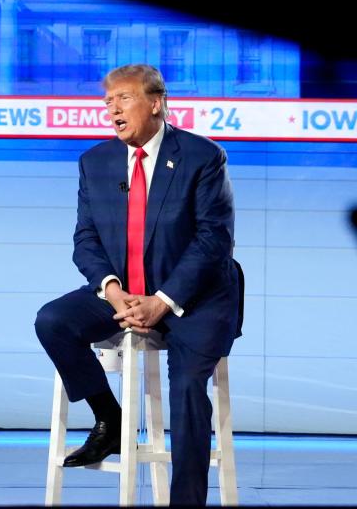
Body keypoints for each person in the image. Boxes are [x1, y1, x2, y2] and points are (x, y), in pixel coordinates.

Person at [33, 64, 241, 506]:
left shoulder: (202, 156)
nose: (112, 109)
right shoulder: (96, 161)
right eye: (108, 102)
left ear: (155, 102)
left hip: (195, 298)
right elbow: (85, 238)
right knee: (53, 320)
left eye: (123, 98)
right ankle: (110, 419)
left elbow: (214, 240)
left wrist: (163, 301)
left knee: (186, 389)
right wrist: (111, 290)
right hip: (125, 295)